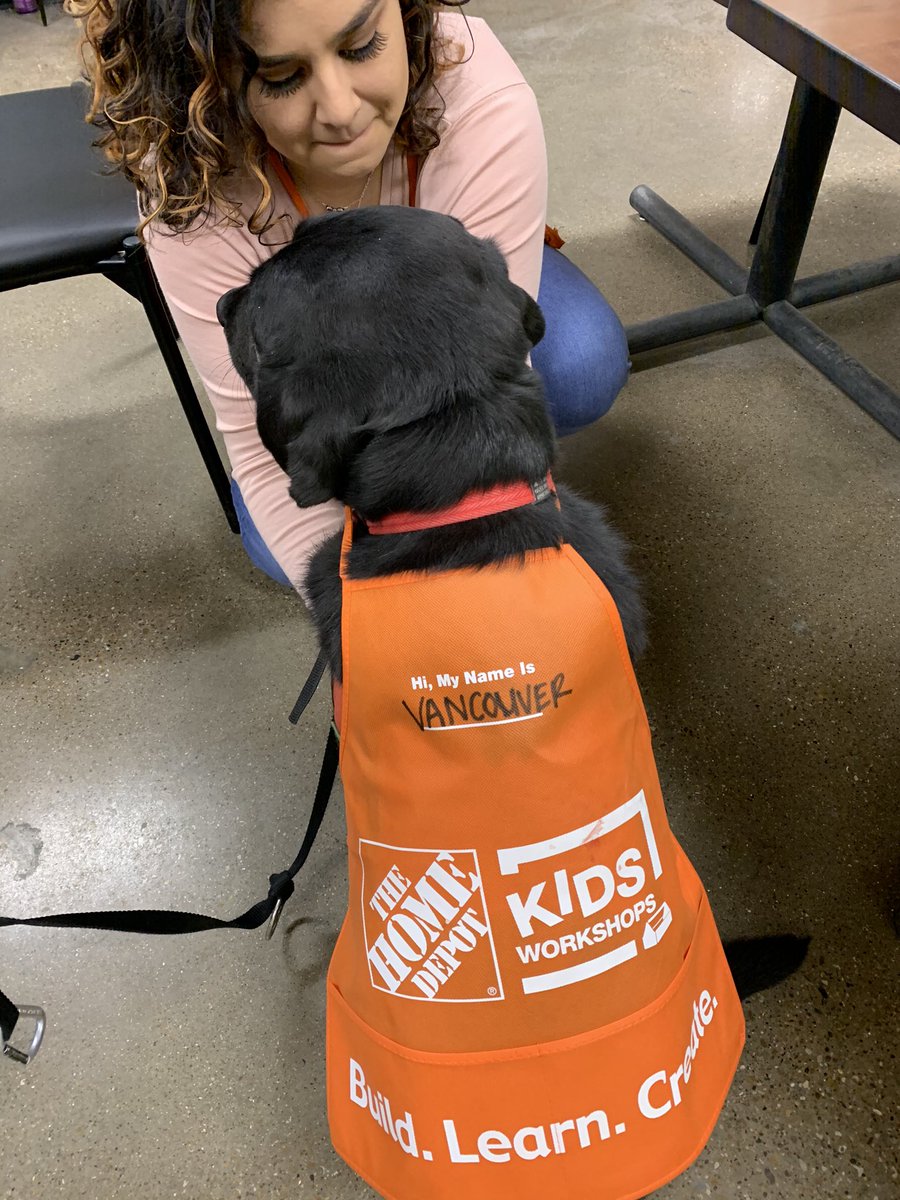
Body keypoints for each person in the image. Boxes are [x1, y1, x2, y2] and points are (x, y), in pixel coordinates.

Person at [70, 0, 630, 591]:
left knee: (578, 364)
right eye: (280, 77)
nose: (342, 111)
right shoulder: (191, 168)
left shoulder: (475, 93)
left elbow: (492, 384)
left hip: (452, 316)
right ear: (206, 82)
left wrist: (495, 604)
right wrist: (384, 632)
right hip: (322, 358)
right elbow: (258, 447)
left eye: (361, 45)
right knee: (282, 545)